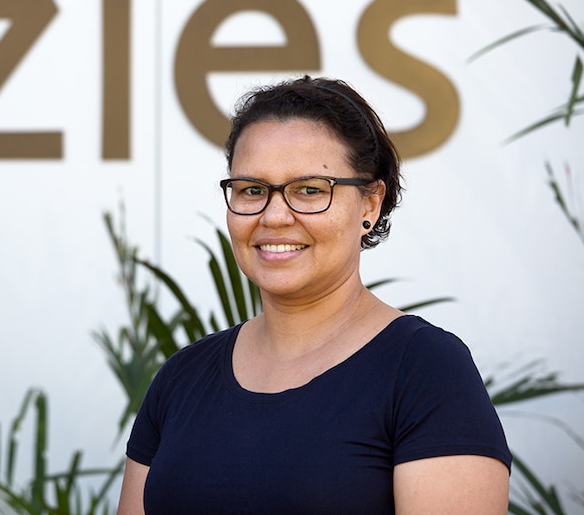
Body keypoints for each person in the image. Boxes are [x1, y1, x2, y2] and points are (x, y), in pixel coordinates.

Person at [115, 75, 511, 514]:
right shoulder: (181, 379)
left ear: (370, 203)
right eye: (252, 190)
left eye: (309, 190)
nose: (275, 216)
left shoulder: (425, 370)